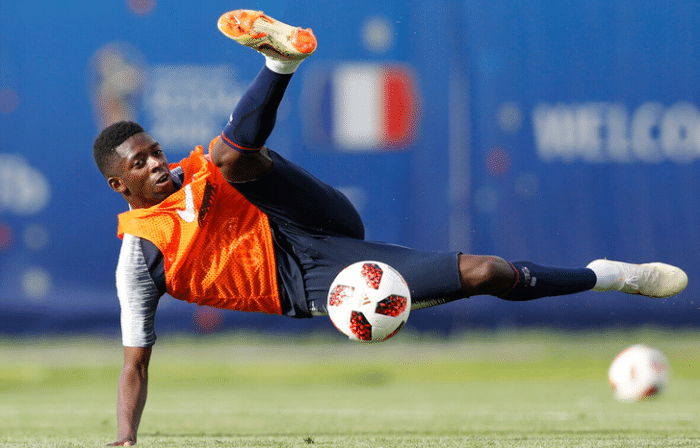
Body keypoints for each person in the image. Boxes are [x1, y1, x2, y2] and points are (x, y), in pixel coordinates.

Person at [93, 10, 688, 446]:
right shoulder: (141, 257)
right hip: (314, 282)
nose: (157, 164)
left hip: (311, 222)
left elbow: (235, 155)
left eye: (155, 150)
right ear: (120, 186)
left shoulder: (193, 171)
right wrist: (125, 439)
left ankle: (281, 59)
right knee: (486, 272)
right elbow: (134, 364)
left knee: (230, 159)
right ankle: (610, 276)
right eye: (140, 164)